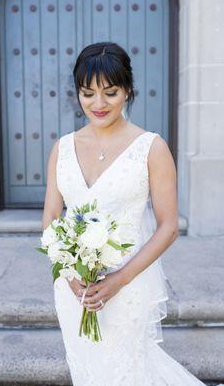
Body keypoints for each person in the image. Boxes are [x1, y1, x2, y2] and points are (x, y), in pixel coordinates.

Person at [42, 42, 217, 385]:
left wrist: (118, 281)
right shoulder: (62, 148)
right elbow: (50, 218)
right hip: (73, 290)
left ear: (127, 91)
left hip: (128, 286)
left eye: (110, 92)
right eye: (87, 93)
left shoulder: (151, 148)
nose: (99, 104)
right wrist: (68, 273)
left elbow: (168, 228)